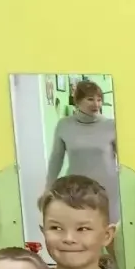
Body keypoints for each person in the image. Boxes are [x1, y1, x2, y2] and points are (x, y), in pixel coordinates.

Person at [45, 79, 120, 224]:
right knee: (81, 226)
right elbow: (56, 159)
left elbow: (124, 159)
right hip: (77, 191)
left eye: (99, 100)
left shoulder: (110, 125)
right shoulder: (64, 125)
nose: (96, 104)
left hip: (107, 189)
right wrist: (48, 187)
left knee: (108, 228)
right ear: (78, 101)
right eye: (90, 99)